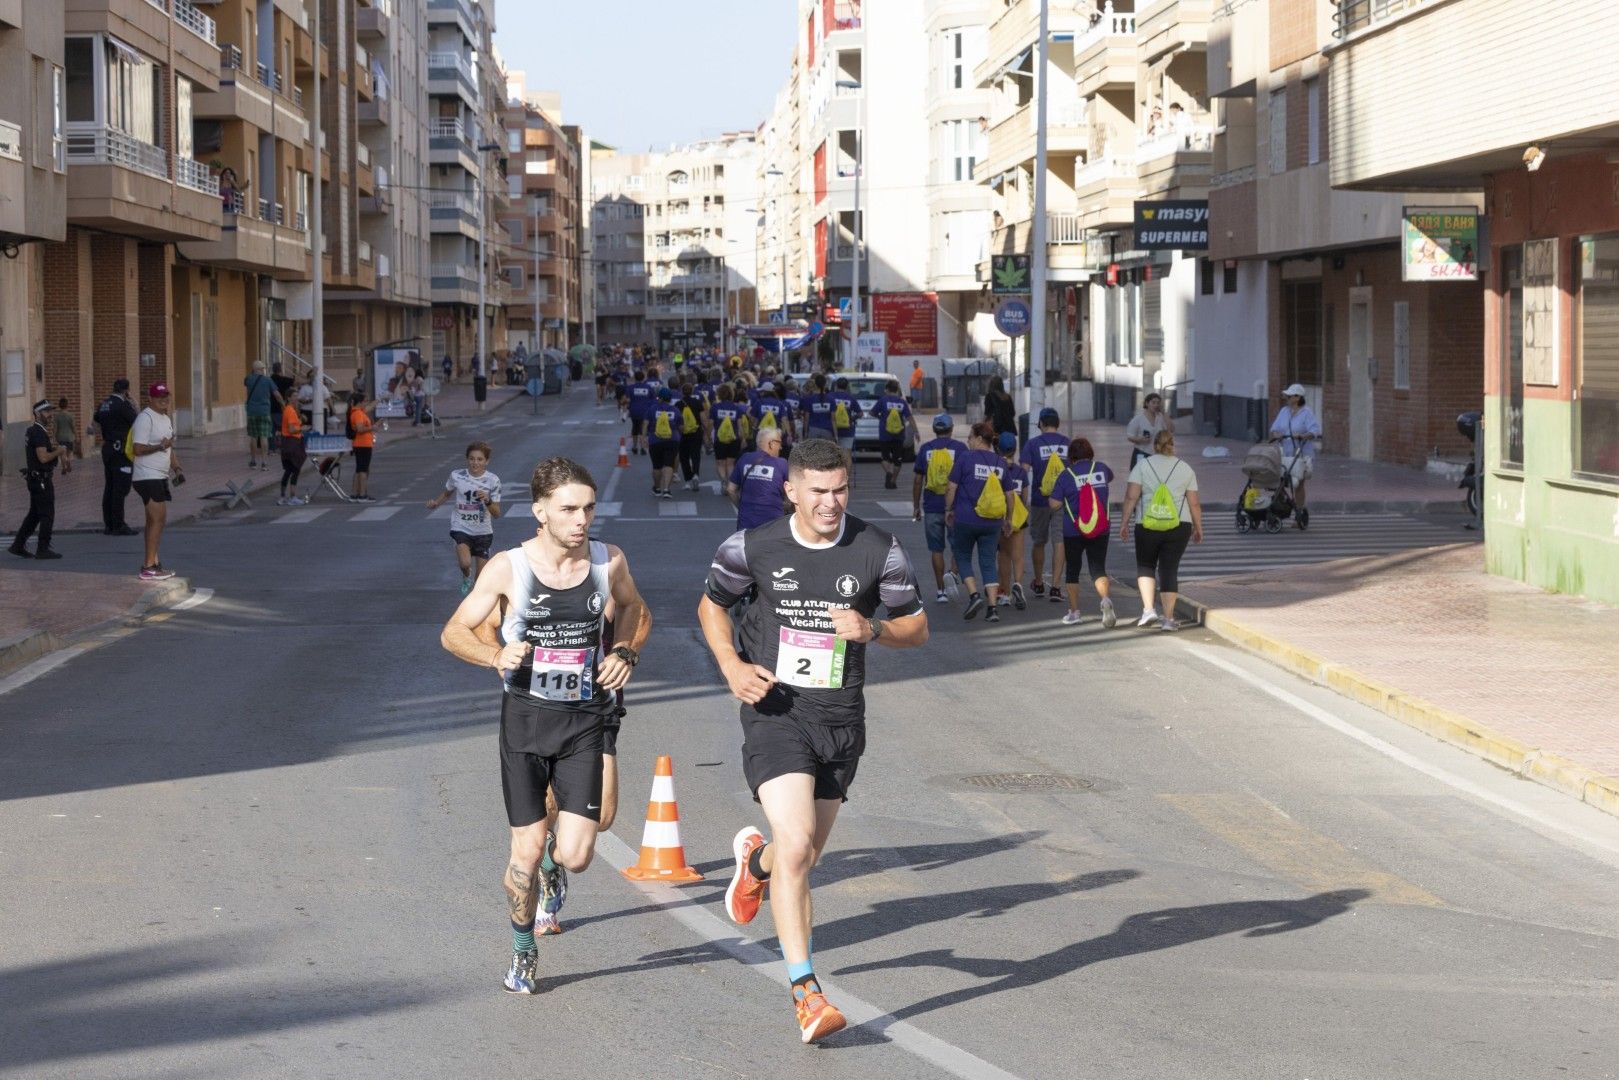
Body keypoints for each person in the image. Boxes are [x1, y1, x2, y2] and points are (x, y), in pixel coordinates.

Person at [698, 438, 928, 1044]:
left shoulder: (879, 549)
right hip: (775, 711)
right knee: (798, 842)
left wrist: (873, 628)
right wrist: (731, 666)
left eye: (841, 489)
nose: (831, 502)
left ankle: (756, 864)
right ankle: (806, 992)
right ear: (792, 491)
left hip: (840, 719)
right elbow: (712, 606)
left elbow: (917, 628)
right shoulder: (752, 546)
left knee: (800, 855)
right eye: (819, 491)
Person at [439, 457, 650, 993]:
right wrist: (494, 656)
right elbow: (454, 631)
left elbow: (634, 608)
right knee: (526, 849)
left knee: (577, 853)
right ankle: (522, 950)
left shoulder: (608, 560)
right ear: (540, 512)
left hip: (585, 716)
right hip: (527, 720)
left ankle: (555, 871)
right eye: (569, 509)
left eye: (588, 509)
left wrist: (624, 649)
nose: (582, 520)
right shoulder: (508, 568)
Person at [1118, 428, 1202, 632]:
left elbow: (1131, 496)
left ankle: (1148, 610)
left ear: (1155, 446)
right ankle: (1169, 619)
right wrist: (1198, 527)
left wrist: (1124, 522)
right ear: (1172, 445)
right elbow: (1194, 503)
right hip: (1179, 525)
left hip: (1147, 524)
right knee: (1169, 569)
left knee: (1146, 565)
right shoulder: (1185, 468)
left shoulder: (1142, 465)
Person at [944, 421, 1011, 622]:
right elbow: (1010, 495)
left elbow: (951, 487)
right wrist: (1008, 518)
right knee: (988, 561)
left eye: (970, 437)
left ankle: (974, 595)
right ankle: (992, 609)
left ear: (980, 438)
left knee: (962, 555)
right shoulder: (1000, 463)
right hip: (993, 522)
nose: (968, 441)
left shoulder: (965, 458)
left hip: (966, 518)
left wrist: (948, 509)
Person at [1048, 437, 1116, 627]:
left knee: (1073, 570)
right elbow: (1110, 478)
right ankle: (1105, 600)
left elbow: (1054, 504)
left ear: (1071, 457)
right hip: (1100, 528)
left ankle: (1075, 612)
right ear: (1090, 453)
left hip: (1074, 530)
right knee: (1098, 568)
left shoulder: (1066, 475)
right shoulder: (1101, 469)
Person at [426, 441, 503, 595]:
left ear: (487, 461)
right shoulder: (457, 476)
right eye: (472, 459)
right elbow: (447, 493)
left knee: (481, 580)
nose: (475, 463)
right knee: (465, 562)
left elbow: (496, 513)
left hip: (483, 531)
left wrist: (487, 500)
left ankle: (475, 600)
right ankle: (466, 576)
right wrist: (436, 503)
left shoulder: (493, 480)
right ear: (467, 459)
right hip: (461, 526)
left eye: (480, 459)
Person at [912, 413, 966, 604]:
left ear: (935, 430)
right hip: (955, 507)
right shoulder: (960, 448)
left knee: (936, 549)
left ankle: (941, 591)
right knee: (958, 545)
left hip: (932, 506)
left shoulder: (926, 449)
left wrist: (916, 506)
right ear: (951, 429)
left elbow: (918, 480)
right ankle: (952, 574)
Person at [129, 384, 179, 581]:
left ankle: (153, 562)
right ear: (150, 398)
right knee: (158, 519)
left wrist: (176, 468)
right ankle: (149, 567)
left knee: (154, 520)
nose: (164, 399)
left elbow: (169, 447)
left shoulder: (165, 419)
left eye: (166, 396)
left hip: (159, 476)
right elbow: (138, 449)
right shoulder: (145, 418)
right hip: (146, 475)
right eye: (159, 396)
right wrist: (160, 446)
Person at [8, 399, 68, 560]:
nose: (50, 415)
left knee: (34, 515)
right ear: (37, 413)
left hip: (36, 479)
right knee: (47, 514)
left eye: (51, 411)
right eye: (47, 412)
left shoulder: (35, 431)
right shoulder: (38, 432)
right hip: (41, 480)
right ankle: (43, 549)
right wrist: (59, 451)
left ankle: (18, 545)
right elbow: (43, 458)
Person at [1021, 408, 1070, 603]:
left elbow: (1023, 471)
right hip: (1063, 501)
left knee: (1039, 541)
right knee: (1060, 542)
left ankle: (1039, 582)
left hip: (1040, 500)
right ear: (1057, 423)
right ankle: (1056, 587)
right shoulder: (1067, 443)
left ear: (1041, 423)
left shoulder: (1033, 444)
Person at [1269, 383, 1322, 529]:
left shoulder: (1307, 413)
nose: (1286, 398)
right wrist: (1276, 434)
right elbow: (1274, 429)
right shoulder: (1284, 411)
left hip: (1301, 453)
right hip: (1285, 452)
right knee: (1280, 482)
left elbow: (1315, 431)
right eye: (1287, 395)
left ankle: (1299, 512)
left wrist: (1303, 435)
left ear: (1297, 398)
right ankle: (1279, 510)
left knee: (1298, 484)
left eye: (1289, 396)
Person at [94, 378, 140, 536]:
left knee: (110, 487)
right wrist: (134, 403)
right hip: (121, 451)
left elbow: (95, 422)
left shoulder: (103, 404)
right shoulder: (124, 405)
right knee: (121, 488)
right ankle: (119, 524)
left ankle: (109, 524)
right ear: (126, 391)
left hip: (108, 449)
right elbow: (137, 421)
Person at [726, 426, 788, 531]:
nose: (781, 447)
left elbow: (730, 489)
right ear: (771, 444)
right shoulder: (782, 464)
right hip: (773, 525)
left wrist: (742, 508)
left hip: (746, 524)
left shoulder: (744, 458)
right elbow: (791, 493)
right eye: (779, 443)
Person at [995, 432, 1031, 610]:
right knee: (1018, 555)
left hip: (1001, 516)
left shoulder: (996, 470)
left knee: (1004, 554)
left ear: (997, 449)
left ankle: (1005, 593)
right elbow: (1025, 497)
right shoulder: (1021, 472)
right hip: (1017, 516)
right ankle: (1018, 584)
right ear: (1015, 450)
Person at [873, 380, 915, 490]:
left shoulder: (883, 400)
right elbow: (909, 418)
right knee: (897, 460)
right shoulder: (902, 402)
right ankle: (893, 481)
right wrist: (916, 432)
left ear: (887, 389)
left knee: (884, 458)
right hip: (899, 435)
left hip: (885, 434)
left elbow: (872, 413)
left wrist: (881, 417)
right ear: (897, 390)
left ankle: (889, 472)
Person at [647, 387, 682, 499]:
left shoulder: (653, 409)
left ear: (660, 398)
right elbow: (681, 426)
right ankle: (666, 489)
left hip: (655, 440)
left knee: (657, 466)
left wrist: (643, 437)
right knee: (669, 464)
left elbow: (645, 423)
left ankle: (657, 488)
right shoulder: (675, 410)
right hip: (672, 440)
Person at [244, 360, 278, 471]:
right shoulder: (268, 380)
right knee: (264, 436)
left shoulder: (248, 379)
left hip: (251, 412)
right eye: (263, 368)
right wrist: (283, 404)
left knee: (253, 436)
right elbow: (276, 394)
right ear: (261, 369)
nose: (264, 370)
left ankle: (253, 461)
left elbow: (247, 383)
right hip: (264, 412)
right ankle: (264, 462)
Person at [711, 384, 747, 486]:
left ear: (719, 394)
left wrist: (708, 437)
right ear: (731, 394)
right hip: (734, 439)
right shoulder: (736, 408)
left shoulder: (715, 407)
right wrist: (743, 439)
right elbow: (740, 426)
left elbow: (710, 424)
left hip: (719, 439)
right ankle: (730, 483)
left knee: (720, 462)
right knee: (731, 463)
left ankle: (723, 480)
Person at [1125, 392, 1172, 468]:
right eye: (1153, 402)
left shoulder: (1160, 417)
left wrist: (1164, 413)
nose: (1156, 405)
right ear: (1147, 403)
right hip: (1141, 453)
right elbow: (1130, 436)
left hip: (1157, 454)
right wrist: (1140, 439)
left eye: (1158, 403)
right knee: (1140, 474)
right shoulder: (1138, 419)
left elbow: (1170, 430)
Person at [277, 393, 307, 507]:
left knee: (289, 470)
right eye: (293, 396)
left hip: (288, 443)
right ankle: (292, 497)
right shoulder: (290, 411)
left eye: (297, 395)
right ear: (288, 398)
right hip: (292, 443)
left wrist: (300, 422)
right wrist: (302, 429)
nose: (296, 398)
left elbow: (291, 426)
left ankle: (283, 497)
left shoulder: (289, 410)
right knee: (295, 469)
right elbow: (291, 429)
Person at [677, 382, 708, 492]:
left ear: (682, 392)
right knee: (695, 455)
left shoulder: (678, 404)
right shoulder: (697, 402)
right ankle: (695, 474)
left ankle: (687, 481)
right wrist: (707, 432)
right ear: (692, 391)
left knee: (684, 457)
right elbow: (703, 418)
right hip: (696, 432)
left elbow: (676, 420)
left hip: (682, 434)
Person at [347, 393, 376, 502]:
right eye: (365, 401)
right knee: (363, 470)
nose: (366, 403)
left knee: (359, 469)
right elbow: (360, 429)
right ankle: (362, 495)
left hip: (362, 444)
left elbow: (370, 407)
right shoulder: (358, 413)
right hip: (362, 444)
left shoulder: (359, 411)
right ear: (360, 402)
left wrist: (380, 399)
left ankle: (355, 493)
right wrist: (372, 428)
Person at [829, 377, 861, 460]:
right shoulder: (851, 398)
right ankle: (847, 469)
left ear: (836, 386)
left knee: (832, 454)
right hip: (848, 429)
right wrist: (851, 418)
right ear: (847, 387)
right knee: (847, 453)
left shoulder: (830, 396)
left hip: (832, 429)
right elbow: (860, 413)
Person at [626, 368, 654, 455]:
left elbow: (627, 400)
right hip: (645, 411)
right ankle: (642, 447)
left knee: (635, 427)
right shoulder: (648, 387)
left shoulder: (630, 388)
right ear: (643, 378)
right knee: (643, 428)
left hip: (634, 410)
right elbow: (653, 399)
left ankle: (634, 446)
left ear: (635, 378)